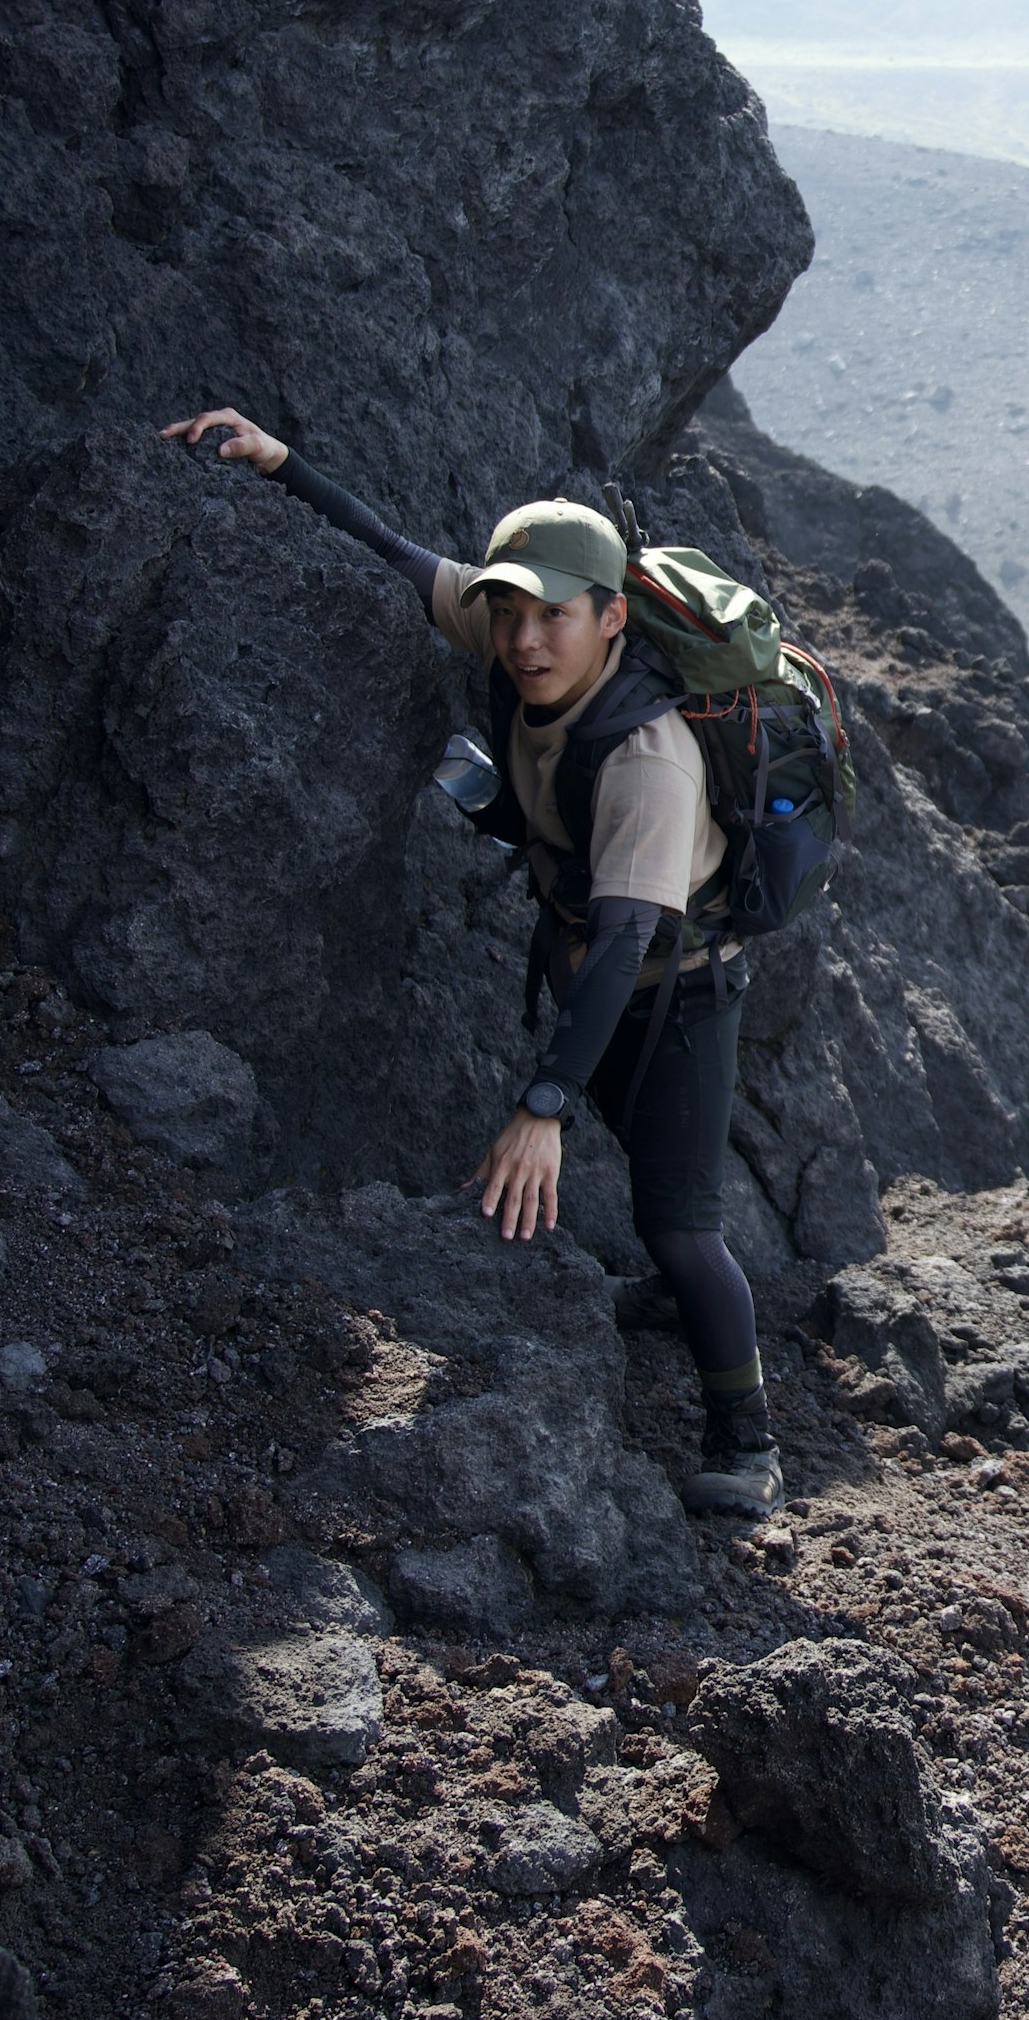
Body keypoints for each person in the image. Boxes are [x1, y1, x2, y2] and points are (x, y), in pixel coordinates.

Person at [157, 406, 779, 1515]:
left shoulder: (649, 760)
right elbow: (398, 555)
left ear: (610, 618)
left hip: (674, 990)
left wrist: (544, 1101)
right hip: (606, 970)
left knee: (682, 1225)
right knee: (652, 1182)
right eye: (508, 613)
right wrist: (280, 459)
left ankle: (749, 1439)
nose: (526, 641)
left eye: (552, 618)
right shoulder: (511, 637)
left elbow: (631, 937)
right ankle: (680, 1298)